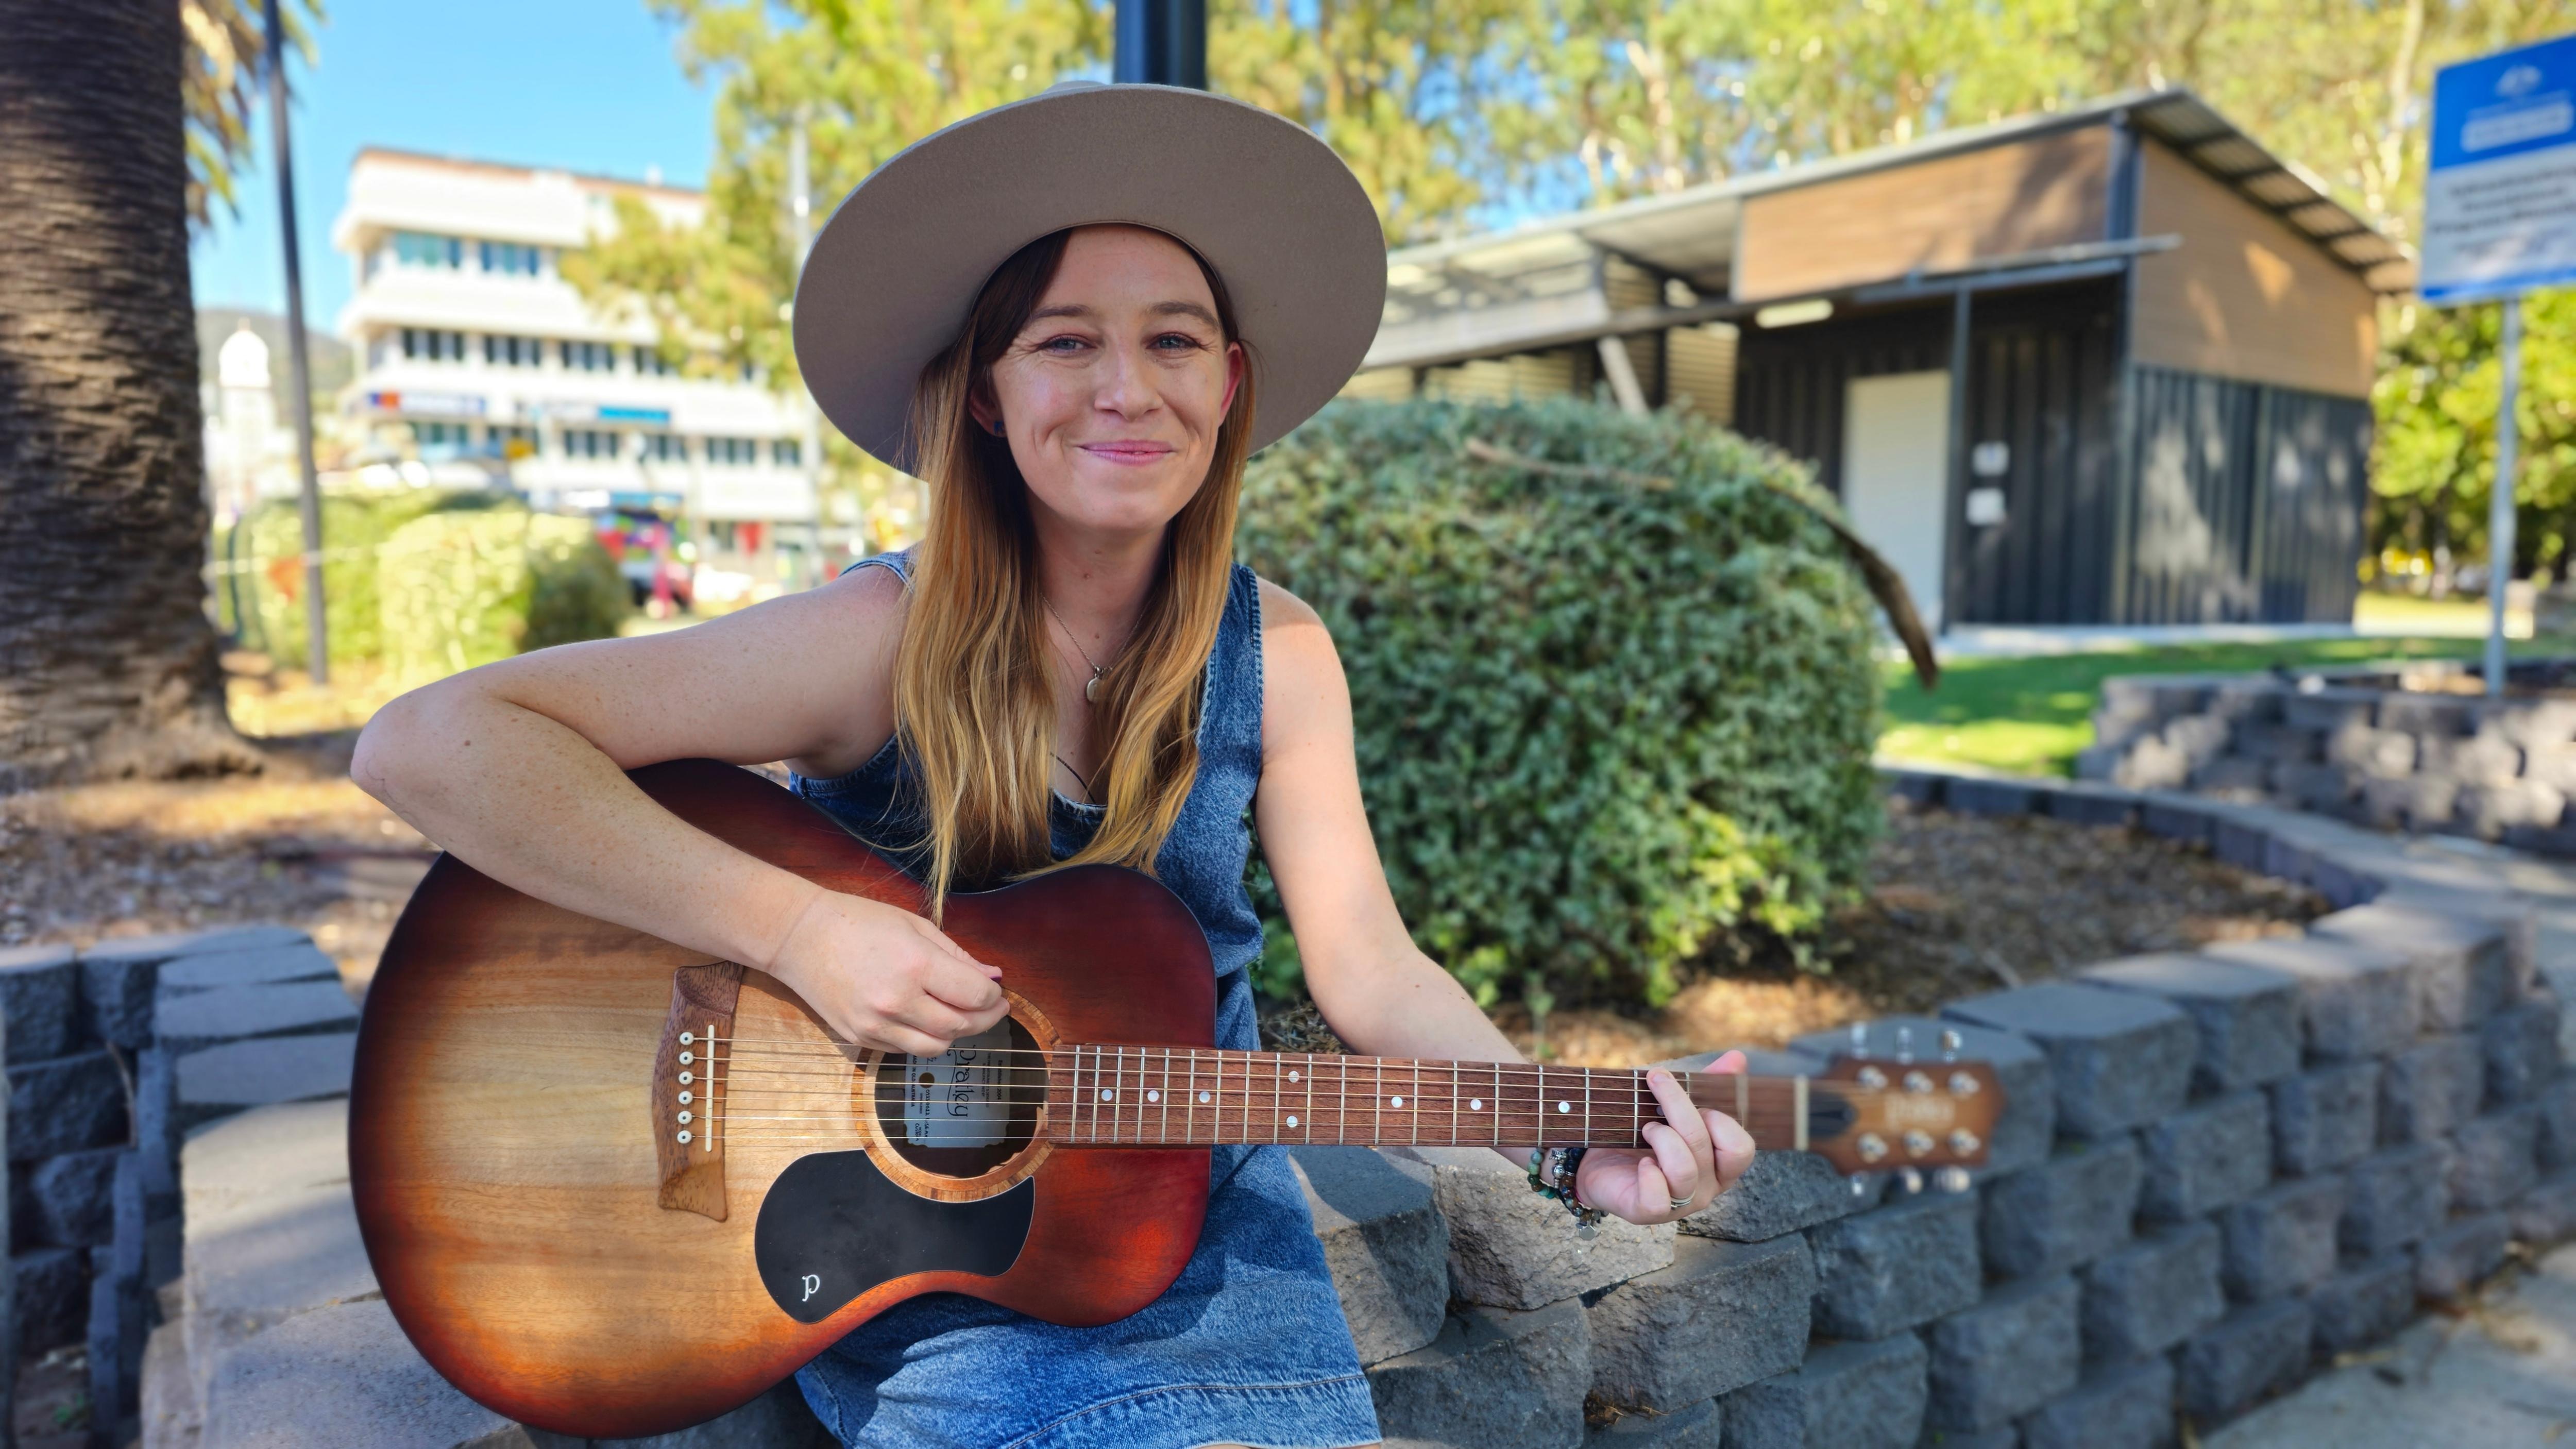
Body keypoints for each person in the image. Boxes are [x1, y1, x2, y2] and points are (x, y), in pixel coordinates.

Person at [350, 81, 1756, 1449]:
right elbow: (430, 744)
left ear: (1230, 383)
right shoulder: (875, 639)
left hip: (1203, 1230)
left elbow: (1373, 969)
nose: (1126, 389)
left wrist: (1563, 1136)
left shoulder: (1281, 654)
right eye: (1066, 341)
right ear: (986, 390)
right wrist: (794, 929)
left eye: (1174, 341)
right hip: (919, 1249)